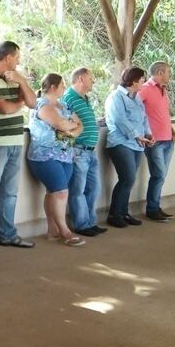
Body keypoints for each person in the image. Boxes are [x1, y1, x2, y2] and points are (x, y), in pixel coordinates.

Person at [0, 41, 36, 253]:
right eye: (17, 57)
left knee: (10, 192)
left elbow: (33, 102)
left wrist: (21, 82)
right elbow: (4, 108)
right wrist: (20, 101)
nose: (19, 62)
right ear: (9, 57)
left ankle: (8, 234)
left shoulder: (14, 79)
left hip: (16, 142)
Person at [26, 74, 85, 247]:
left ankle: (52, 229)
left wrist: (72, 130)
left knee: (54, 192)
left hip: (65, 155)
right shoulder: (41, 104)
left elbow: (79, 124)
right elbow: (60, 123)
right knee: (60, 192)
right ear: (52, 87)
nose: (64, 88)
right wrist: (69, 126)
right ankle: (65, 230)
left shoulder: (64, 104)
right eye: (62, 85)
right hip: (45, 155)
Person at [105, 67, 154, 228]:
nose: (144, 82)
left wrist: (148, 134)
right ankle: (114, 214)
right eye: (141, 80)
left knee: (129, 180)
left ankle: (124, 212)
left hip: (137, 144)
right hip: (121, 142)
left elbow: (144, 118)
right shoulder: (116, 97)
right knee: (127, 178)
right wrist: (136, 135)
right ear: (133, 82)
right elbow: (120, 120)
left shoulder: (137, 97)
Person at [62, 68, 107, 237]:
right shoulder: (68, 98)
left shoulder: (85, 99)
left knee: (94, 188)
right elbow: (65, 122)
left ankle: (90, 221)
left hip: (90, 151)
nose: (93, 81)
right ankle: (81, 224)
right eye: (91, 78)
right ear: (81, 79)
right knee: (78, 189)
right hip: (78, 150)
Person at [139, 62, 175, 222]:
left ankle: (155, 206)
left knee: (161, 176)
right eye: (168, 72)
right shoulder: (145, 89)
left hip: (168, 139)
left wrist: (171, 129)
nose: (170, 75)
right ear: (160, 72)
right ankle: (152, 209)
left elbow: (163, 113)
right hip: (155, 141)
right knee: (158, 175)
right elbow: (134, 110)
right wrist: (143, 133)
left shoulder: (163, 89)